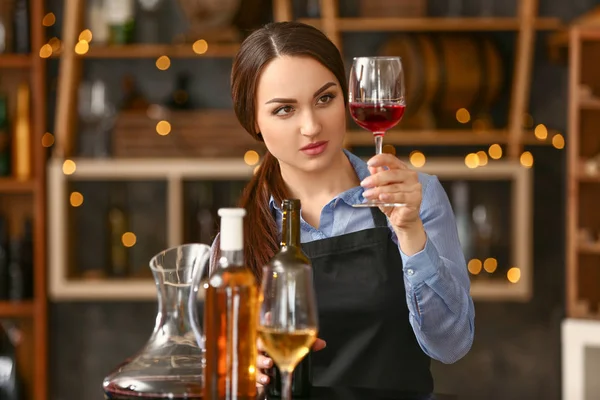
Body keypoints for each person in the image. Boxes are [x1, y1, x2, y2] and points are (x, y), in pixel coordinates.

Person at [209, 21, 475, 394]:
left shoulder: (417, 196)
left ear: (347, 99)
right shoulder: (239, 237)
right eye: (284, 110)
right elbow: (217, 368)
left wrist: (411, 232)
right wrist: (241, 364)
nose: (311, 126)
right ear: (253, 121)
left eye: (324, 99)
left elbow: (452, 344)